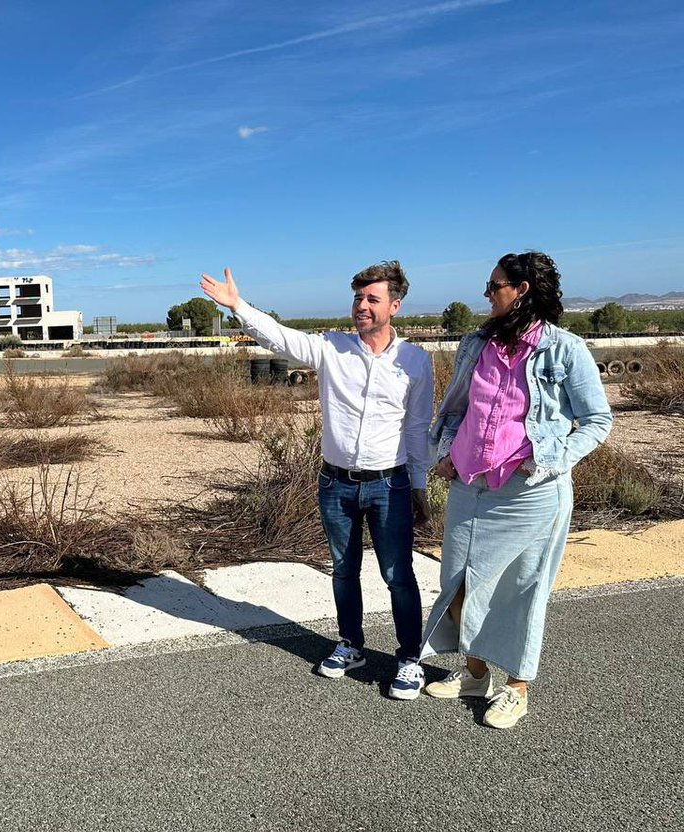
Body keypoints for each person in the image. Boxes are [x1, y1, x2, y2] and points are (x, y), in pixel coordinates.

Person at [200, 262, 434, 700]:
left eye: (372, 299)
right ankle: (351, 645)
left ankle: (409, 659)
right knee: (344, 570)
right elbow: (279, 337)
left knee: (398, 574)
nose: (361, 306)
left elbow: (418, 427)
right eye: (358, 298)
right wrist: (238, 306)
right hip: (336, 484)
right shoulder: (331, 348)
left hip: (391, 484)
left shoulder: (415, 361)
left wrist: (419, 486)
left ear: (395, 306)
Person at [422, 251, 612, 728]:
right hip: (470, 485)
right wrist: (445, 452)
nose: (487, 294)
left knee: (521, 590)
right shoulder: (475, 344)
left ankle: (517, 687)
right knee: (461, 582)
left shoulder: (564, 349)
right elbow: (455, 411)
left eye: (494, 286)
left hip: (529, 493)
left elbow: (596, 421)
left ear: (521, 290)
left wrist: (547, 461)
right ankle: (475, 673)